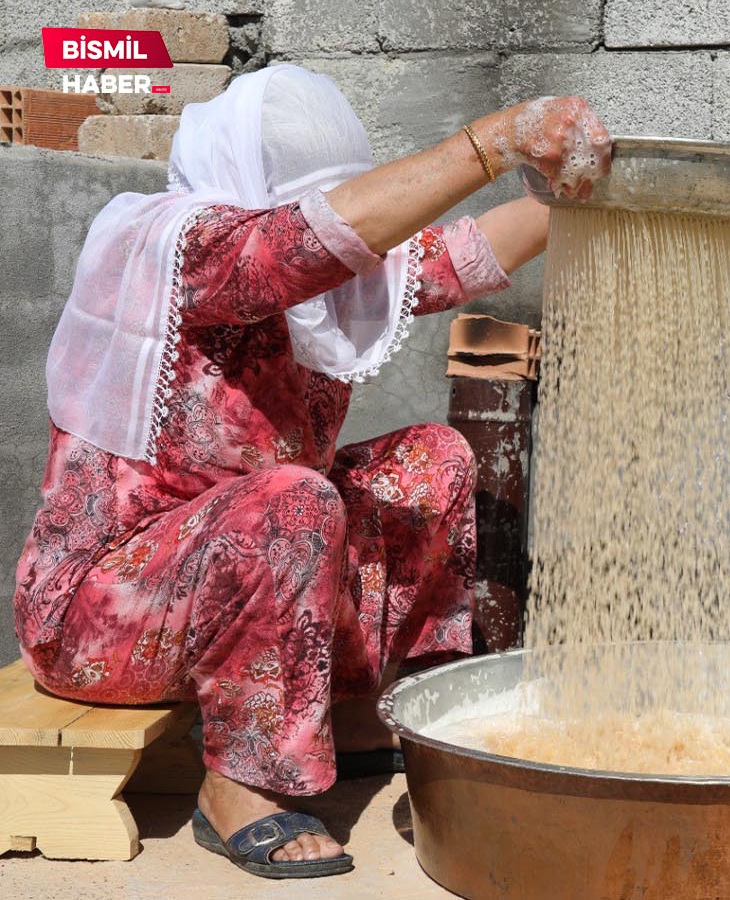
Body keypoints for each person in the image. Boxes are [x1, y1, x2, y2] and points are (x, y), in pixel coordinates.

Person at [11, 64, 611, 878]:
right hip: (104, 609)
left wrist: (584, 195)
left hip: (251, 563)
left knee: (429, 459)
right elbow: (294, 245)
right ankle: (240, 786)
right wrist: (497, 140)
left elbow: (451, 258)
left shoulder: (317, 275)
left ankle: (360, 716)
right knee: (292, 500)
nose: (322, 210)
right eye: (303, 193)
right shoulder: (184, 245)